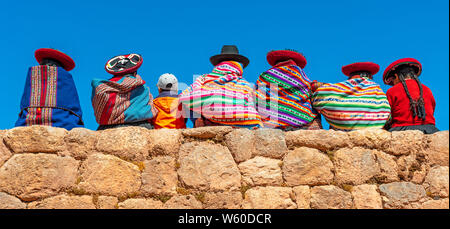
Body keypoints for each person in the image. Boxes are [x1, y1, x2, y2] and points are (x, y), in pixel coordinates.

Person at [179, 45, 262, 128]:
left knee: (188, 98)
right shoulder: (245, 84)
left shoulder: (204, 78)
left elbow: (184, 96)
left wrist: (196, 118)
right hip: (242, 122)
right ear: (238, 65)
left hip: (209, 121)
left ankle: (199, 122)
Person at [15, 48, 84, 130]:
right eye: (43, 65)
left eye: (51, 66)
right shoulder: (66, 81)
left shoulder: (65, 81)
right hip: (65, 124)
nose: (46, 68)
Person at [312, 62, 391, 131]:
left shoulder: (339, 89)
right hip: (374, 132)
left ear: (352, 77)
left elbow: (318, 95)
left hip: (342, 134)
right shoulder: (377, 90)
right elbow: (388, 115)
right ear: (370, 77)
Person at [255, 49, 322, 130]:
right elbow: (312, 86)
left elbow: (258, 98)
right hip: (302, 119)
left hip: (272, 124)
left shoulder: (265, 76)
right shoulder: (299, 74)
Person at [91, 53, 157, 130]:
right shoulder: (143, 88)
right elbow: (150, 110)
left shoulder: (101, 88)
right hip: (141, 126)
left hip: (106, 128)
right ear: (135, 72)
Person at [382, 58, 439, 134]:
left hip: (401, 129)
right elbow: (431, 110)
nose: (394, 83)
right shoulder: (427, 90)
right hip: (429, 130)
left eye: (393, 80)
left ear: (396, 76)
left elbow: (387, 115)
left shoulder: (392, 91)